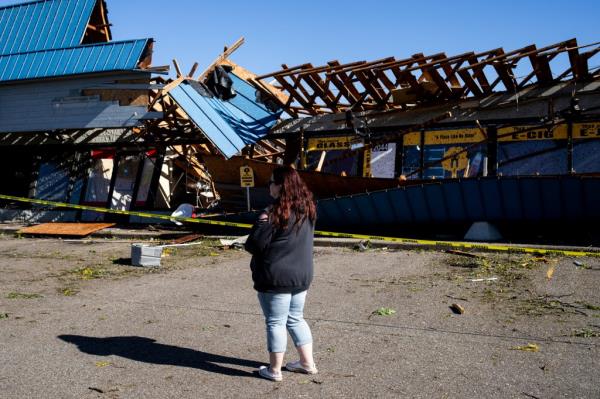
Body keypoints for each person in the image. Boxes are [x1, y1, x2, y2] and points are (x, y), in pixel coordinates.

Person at [244, 166, 318, 382]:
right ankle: (307, 363)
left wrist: (260, 222)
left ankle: (274, 370)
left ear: (280, 186)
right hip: (302, 275)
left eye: (271, 182)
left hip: (275, 276)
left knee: (275, 322)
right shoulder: (309, 209)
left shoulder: (272, 213)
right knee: (295, 318)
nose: (269, 186)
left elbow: (255, 245)